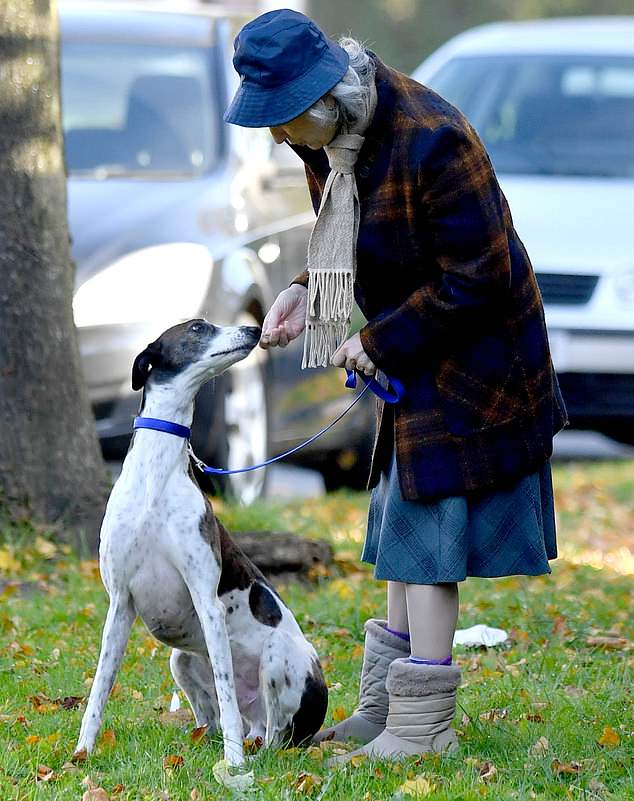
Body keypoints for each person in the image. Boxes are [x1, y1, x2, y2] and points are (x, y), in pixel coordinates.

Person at [224, 9, 568, 761]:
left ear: (320, 99)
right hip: (420, 344)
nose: (277, 140)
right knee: (396, 519)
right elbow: (358, 241)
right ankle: (383, 706)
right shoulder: (330, 140)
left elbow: (483, 274)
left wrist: (378, 339)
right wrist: (306, 290)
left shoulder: (432, 137)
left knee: (427, 535)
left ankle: (424, 723)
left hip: (481, 352)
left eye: (282, 123)